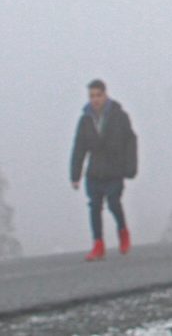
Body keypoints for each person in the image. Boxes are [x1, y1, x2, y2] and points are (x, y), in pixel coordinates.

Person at [70, 79, 137, 262]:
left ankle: (123, 231)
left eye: (98, 95)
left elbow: (130, 141)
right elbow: (79, 148)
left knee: (114, 202)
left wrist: (130, 168)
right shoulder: (85, 120)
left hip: (114, 169)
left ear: (105, 95)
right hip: (94, 172)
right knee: (94, 206)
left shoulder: (119, 116)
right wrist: (75, 175)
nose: (95, 99)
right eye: (92, 96)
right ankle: (98, 245)